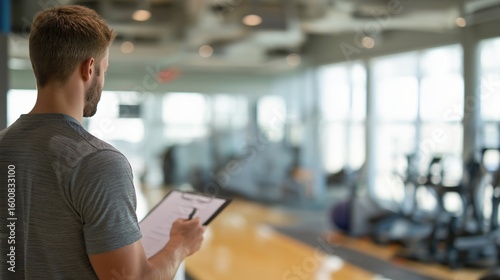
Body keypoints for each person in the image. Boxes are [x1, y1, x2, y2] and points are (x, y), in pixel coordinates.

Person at [0, 5, 204, 279]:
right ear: (89, 68)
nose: (102, 80)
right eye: (104, 70)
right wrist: (180, 244)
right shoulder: (98, 162)